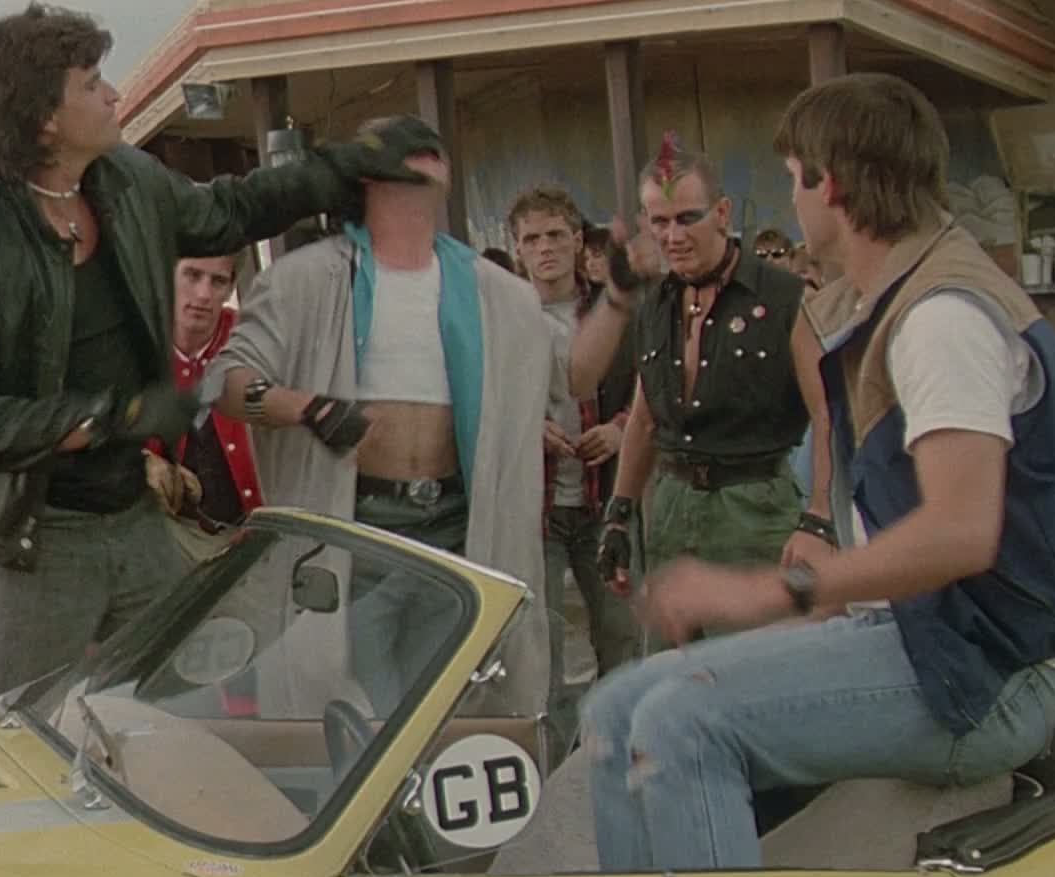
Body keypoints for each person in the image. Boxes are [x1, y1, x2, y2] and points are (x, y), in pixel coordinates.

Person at [579, 72, 1055, 873]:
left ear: (827, 183)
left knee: (679, 725)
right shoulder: (892, 295)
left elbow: (961, 530)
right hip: (925, 636)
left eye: (792, 177)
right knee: (614, 708)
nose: (791, 198)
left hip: (985, 677)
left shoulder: (942, 317)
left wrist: (771, 592)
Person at [0, 3, 437, 710]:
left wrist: (346, 165)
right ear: (43, 120)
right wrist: (113, 417)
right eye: (91, 83)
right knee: (12, 739)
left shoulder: (129, 181)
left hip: (136, 519)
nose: (113, 94)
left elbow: (231, 211)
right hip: (38, 539)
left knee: (188, 716)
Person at [209, 114, 596, 715]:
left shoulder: (496, 291)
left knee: (449, 712)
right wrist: (303, 407)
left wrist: (622, 300)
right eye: (406, 150)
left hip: (457, 529)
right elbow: (228, 383)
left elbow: (573, 376)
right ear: (367, 177)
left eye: (432, 149)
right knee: (362, 719)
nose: (426, 154)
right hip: (359, 531)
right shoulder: (305, 281)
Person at [595, 140, 835, 652]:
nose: (673, 236)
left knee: (758, 673)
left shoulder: (785, 298)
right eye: (659, 222)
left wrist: (819, 517)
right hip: (671, 512)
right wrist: (618, 514)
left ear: (722, 213)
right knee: (672, 675)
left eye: (688, 218)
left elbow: (829, 414)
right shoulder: (654, 305)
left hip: (757, 510)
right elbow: (644, 419)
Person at [507, 186, 638, 717]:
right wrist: (528, 427)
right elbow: (483, 400)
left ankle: (622, 741)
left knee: (622, 636)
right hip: (536, 507)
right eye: (532, 238)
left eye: (556, 235)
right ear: (517, 248)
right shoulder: (503, 316)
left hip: (605, 500)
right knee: (542, 652)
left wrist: (622, 428)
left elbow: (650, 383)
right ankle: (555, 754)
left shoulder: (616, 309)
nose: (545, 248)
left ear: (579, 240)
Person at [151, 252, 262, 557]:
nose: (203, 294)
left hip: (259, 534)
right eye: (192, 275)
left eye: (218, 281)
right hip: (170, 540)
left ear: (231, 288)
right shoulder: (132, 347)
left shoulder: (256, 342)